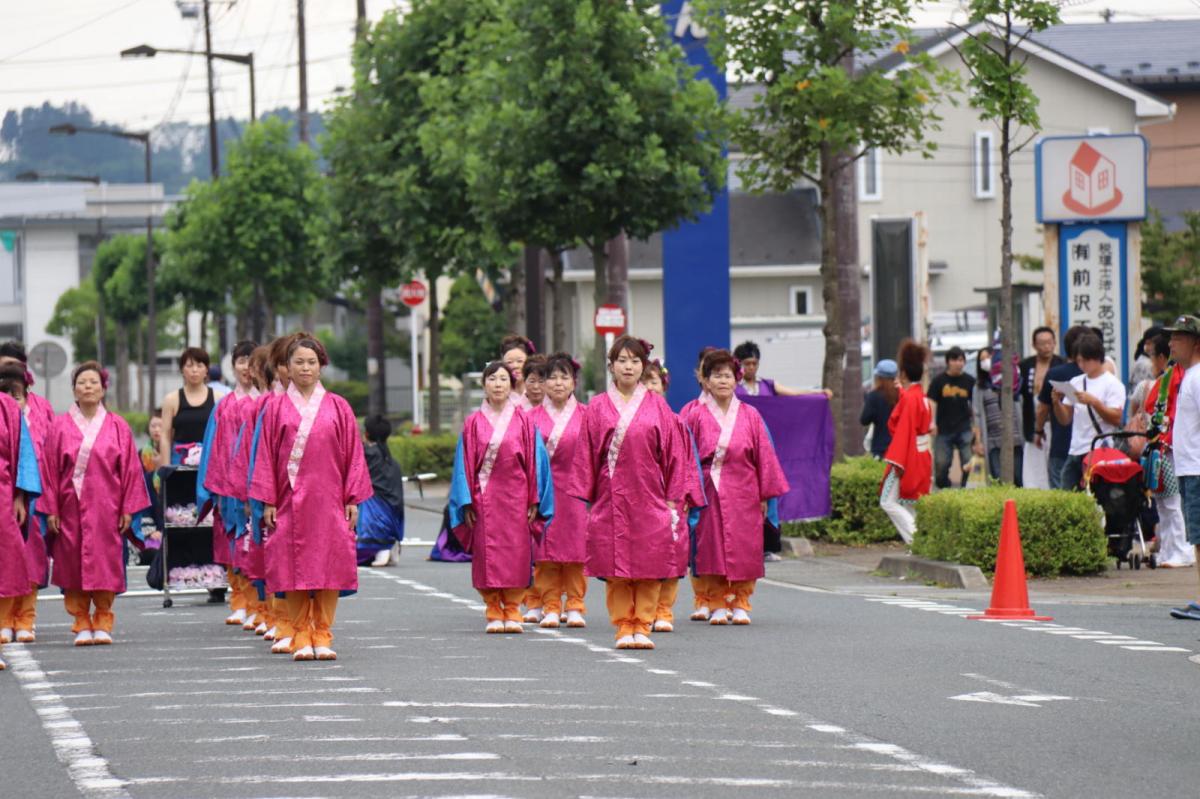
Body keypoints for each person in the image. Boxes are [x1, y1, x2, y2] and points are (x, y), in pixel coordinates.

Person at [250, 336, 373, 662]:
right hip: (289, 502)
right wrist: (268, 500)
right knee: (292, 567)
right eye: (299, 362)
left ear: (321, 367)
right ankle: (301, 633)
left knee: (330, 565)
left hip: (330, 500)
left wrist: (352, 498)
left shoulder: (339, 407)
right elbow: (265, 456)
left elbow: (353, 455)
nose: (306, 368)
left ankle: (322, 632)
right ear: (287, 367)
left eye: (311, 362)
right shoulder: (275, 408)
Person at [568, 335, 689, 650]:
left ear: (643, 366)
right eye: (622, 360)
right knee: (617, 567)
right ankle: (624, 626)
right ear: (611, 366)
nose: (628, 367)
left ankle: (643, 625)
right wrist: (589, 499)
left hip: (651, 496)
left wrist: (672, 497)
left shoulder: (658, 405)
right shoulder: (597, 406)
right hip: (611, 497)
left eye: (635, 361)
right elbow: (586, 453)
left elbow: (674, 454)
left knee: (650, 564)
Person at [40, 362, 148, 647]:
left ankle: (102, 619)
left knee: (105, 562)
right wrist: (51, 509)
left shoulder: (118, 426)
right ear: (74, 389)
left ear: (103, 389)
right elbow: (49, 470)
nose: (88, 387)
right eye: (82, 382)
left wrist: (128, 508)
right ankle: (80, 621)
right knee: (71, 561)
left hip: (107, 508)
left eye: (93, 382)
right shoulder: (59, 426)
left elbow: (131, 470)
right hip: (69, 508)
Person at [683, 349, 789, 626]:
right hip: (709, 490)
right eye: (716, 375)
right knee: (711, 546)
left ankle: (741, 601)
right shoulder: (695, 415)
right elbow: (685, 456)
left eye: (728, 376)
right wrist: (688, 493)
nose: (723, 381)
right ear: (706, 381)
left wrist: (765, 495)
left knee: (746, 546)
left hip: (745, 489)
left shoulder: (751, 415)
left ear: (736, 380)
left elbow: (764, 455)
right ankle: (717, 602)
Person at [448, 361, 553, 633]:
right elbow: (463, 466)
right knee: (487, 554)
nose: (497, 384)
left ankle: (513, 608)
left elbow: (536, 462)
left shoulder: (524, 421)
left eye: (503, 379)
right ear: (484, 384)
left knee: (517, 552)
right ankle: (494, 609)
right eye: (492, 379)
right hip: (484, 500)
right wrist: (466, 502)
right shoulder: (473, 423)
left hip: (517, 497)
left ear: (511, 384)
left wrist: (534, 499)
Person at [641, 358, 706, 629]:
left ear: (663, 385)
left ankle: (664, 610)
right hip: (641, 496)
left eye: (653, 381)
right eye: (644, 382)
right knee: (643, 553)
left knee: (671, 551)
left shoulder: (676, 422)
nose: (649, 387)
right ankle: (644, 609)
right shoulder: (629, 423)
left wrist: (687, 495)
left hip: (672, 496)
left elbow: (689, 462)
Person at [202, 340, 261, 629]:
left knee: (255, 546)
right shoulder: (223, 406)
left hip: (256, 487)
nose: (246, 367)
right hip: (227, 488)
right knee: (231, 545)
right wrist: (211, 488)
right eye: (241, 361)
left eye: (251, 361)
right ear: (233, 366)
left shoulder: (265, 402)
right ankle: (238, 601)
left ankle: (257, 604)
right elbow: (211, 448)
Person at [527, 353, 589, 629]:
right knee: (545, 552)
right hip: (543, 494)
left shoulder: (587, 415)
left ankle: (575, 605)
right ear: (544, 383)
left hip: (576, 493)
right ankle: (550, 605)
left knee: (576, 551)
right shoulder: (529, 418)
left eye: (565, 377)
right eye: (552, 377)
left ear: (574, 382)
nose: (558, 383)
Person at [159, 347, 224, 602]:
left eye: (199, 365)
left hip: (209, 469)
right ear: (182, 370)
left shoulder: (218, 398)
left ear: (207, 369)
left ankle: (217, 580)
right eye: (189, 365)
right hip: (181, 470)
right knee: (181, 525)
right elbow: (166, 435)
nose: (194, 370)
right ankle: (180, 573)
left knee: (211, 524)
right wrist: (164, 469)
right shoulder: (172, 399)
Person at [1134, 329, 1194, 571]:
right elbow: (1153, 408)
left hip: (1174, 446)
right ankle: (1170, 550)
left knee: (1173, 503)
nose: (1172, 345)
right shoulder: (1171, 376)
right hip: (1162, 445)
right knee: (1163, 503)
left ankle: (1182, 550)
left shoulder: (1185, 375)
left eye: (1177, 340)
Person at [0, 368, 41, 654]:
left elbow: (23, 453)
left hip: (3, 493)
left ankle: (7, 619)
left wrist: (20, 495)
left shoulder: (7, 406)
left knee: (7, 559)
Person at [1053, 333, 1126, 492]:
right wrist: (1056, 402)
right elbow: (1065, 419)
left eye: (1085, 360)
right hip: (1075, 450)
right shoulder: (1076, 382)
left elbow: (1116, 418)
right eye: (1078, 360)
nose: (1081, 365)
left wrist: (1094, 402)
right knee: (1068, 496)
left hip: (1099, 450)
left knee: (1096, 497)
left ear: (1097, 357)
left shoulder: (1113, 384)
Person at [879, 341, 932, 545]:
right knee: (910, 504)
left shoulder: (911, 398)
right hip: (921, 454)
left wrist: (897, 461)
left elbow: (904, 431)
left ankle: (917, 542)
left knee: (887, 501)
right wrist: (902, 390)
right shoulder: (920, 396)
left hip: (908, 455)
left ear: (903, 373)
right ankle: (919, 543)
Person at [1167, 316, 1200, 618]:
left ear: (1195, 343)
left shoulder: (1198, 377)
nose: (1171, 343)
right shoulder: (1189, 375)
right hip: (1189, 467)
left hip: (1197, 468)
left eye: (1178, 338)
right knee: (1197, 539)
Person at [1037, 325, 1090, 490]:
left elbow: (1042, 409)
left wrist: (1038, 430)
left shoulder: (1055, 373)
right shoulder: (1096, 375)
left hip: (1061, 444)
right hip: (1091, 448)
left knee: (1060, 496)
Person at [518, 353, 549, 621]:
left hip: (555, 488)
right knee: (528, 547)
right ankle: (532, 600)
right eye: (531, 380)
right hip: (524, 488)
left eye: (542, 380)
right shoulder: (515, 411)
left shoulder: (563, 409)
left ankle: (560, 600)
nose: (537, 387)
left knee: (554, 549)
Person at [1019, 327, 1064, 489]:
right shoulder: (1025, 366)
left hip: (1056, 422)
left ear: (1055, 343)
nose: (1046, 347)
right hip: (1032, 422)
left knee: (1055, 464)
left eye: (1049, 343)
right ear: (1034, 345)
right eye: (1042, 343)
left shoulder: (1062, 364)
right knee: (1033, 467)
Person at [358, 415, 405, 567]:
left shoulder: (368, 454)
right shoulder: (390, 460)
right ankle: (389, 545)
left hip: (375, 513)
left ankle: (380, 548)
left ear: (367, 433)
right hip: (394, 515)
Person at [927, 347, 978, 489]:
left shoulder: (970, 381)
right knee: (941, 465)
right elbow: (932, 402)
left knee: (968, 462)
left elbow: (975, 405)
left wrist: (976, 426)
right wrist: (932, 422)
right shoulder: (938, 381)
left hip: (965, 428)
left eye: (961, 360)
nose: (958, 363)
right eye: (954, 360)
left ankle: (964, 490)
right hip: (943, 429)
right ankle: (946, 489)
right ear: (948, 362)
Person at [974, 349, 1023, 485]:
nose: (986, 361)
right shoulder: (979, 387)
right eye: (982, 359)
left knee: (1019, 478)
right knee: (997, 479)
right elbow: (977, 414)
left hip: (1015, 438)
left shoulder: (1012, 381)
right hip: (993, 440)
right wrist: (978, 441)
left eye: (988, 357)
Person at [733, 340, 829, 397]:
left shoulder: (769, 385)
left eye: (755, 363)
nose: (751, 367)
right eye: (747, 364)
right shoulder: (733, 386)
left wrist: (819, 393)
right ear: (739, 364)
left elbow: (794, 393)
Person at [860, 360, 899, 459]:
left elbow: (864, 420)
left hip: (880, 447)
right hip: (900, 447)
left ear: (879, 378)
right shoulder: (901, 395)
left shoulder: (874, 396)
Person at [500, 335, 536, 410]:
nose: (515, 366)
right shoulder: (499, 394)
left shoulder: (537, 392)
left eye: (520, 361)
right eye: (509, 362)